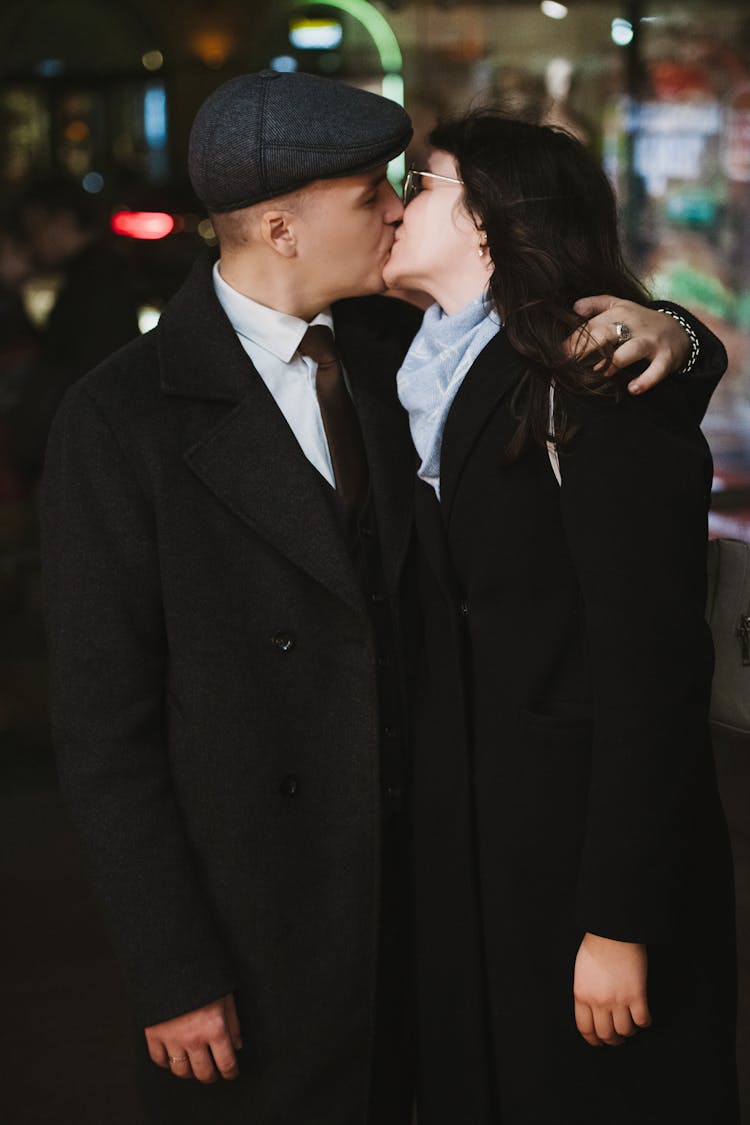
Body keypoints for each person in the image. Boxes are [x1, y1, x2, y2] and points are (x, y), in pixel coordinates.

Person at [40, 73, 726, 1124]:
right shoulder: (122, 417)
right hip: (263, 921)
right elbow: (104, 730)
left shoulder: (391, 355)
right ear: (279, 224)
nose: (398, 208)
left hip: (427, 898)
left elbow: (554, 342)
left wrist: (678, 328)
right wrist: (172, 967)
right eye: (371, 194)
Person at [383, 111, 739, 1125]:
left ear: (496, 214)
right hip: (472, 860)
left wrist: (621, 919)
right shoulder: (401, 364)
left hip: (586, 862)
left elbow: (651, 665)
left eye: (422, 180)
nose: (398, 202)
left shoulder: (595, 378)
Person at [9, 177, 139, 484]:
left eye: (36, 227)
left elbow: (70, 365)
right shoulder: (98, 272)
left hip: (88, 449)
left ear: (63, 220)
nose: (34, 240)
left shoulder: (93, 281)